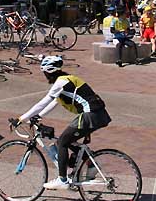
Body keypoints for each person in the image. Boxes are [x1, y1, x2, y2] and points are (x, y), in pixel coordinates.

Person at [14, 56, 110, 190]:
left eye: (45, 73)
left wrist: (20, 119)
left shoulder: (60, 83)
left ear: (48, 71)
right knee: (66, 141)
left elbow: (42, 103)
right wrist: (37, 116)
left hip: (90, 115)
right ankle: (92, 166)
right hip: (99, 114)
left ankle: (62, 179)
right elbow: (54, 103)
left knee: (63, 142)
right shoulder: (67, 80)